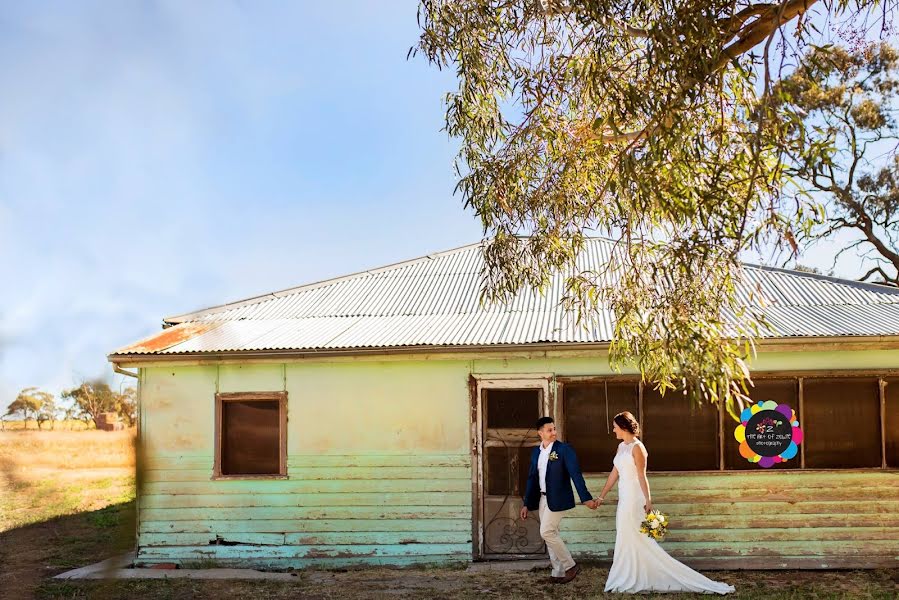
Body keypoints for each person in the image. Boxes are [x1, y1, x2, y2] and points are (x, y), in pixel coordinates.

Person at [596, 411, 736, 594]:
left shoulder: (638, 448)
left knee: (639, 537)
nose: (613, 430)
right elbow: (614, 473)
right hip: (624, 498)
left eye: (615, 427)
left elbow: (641, 475)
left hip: (634, 498)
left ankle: (643, 575)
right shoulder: (622, 447)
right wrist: (601, 496)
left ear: (623, 427)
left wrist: (648, 500)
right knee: (626, 535)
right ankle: (628, 573)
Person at [520, 416, 598, 584]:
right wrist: (526, 503)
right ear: (540, 433)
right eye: (549, 430)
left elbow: (575, 475)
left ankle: (570, 566)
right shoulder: (536, 452)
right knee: (551, 534)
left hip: (559, 498)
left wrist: (586, 498)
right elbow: (532, 478)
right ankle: (558, 572)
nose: (554, 432)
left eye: (554, 429)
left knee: (546, 532)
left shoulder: (564, 450)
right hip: (542, 499)